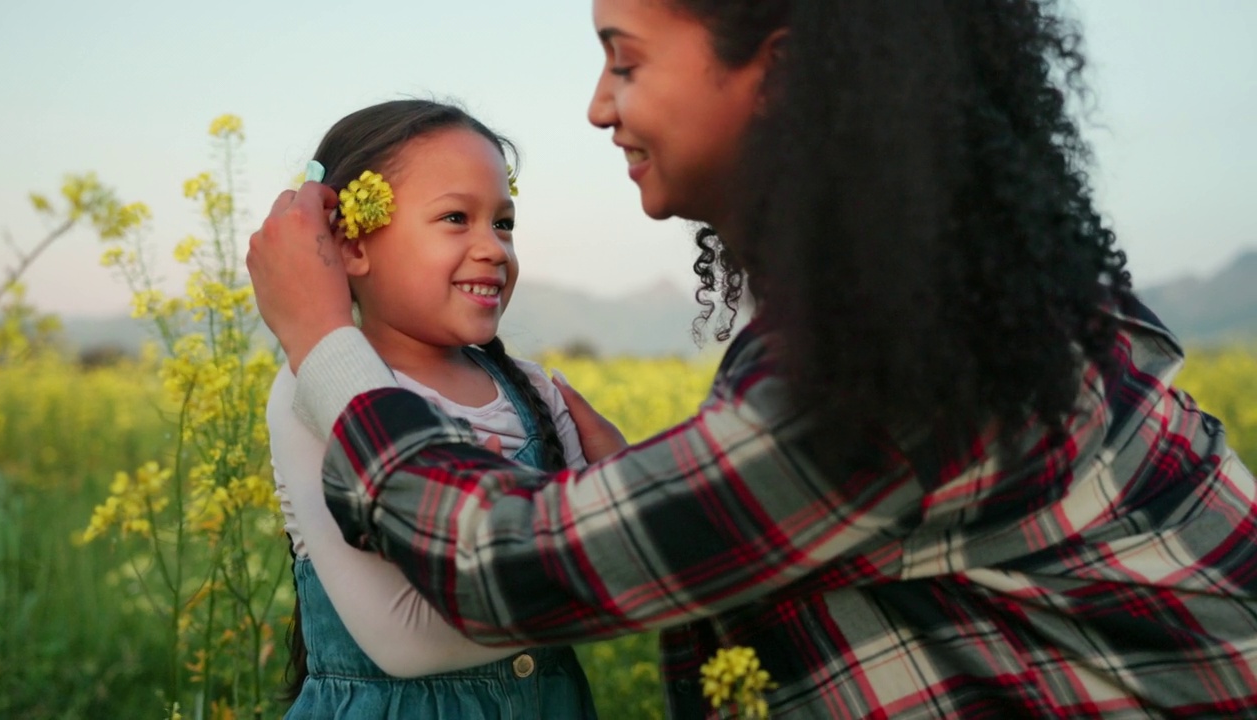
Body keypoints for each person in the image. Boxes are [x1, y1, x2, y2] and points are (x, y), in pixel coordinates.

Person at [248, 1, 1257, 717]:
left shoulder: (893, 352)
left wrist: (325, 343)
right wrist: (646, 493)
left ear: (776, 75)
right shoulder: (947, 290)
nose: (598, 107)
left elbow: (508, 565)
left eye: (625, 60)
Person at [266, 99, 597, 719]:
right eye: (455, 218)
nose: (494, 249)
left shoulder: (533, 391)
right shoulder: (309, 387)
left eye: (503, 222)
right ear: (353, 244)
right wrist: (593, 585)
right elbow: (406, 642)